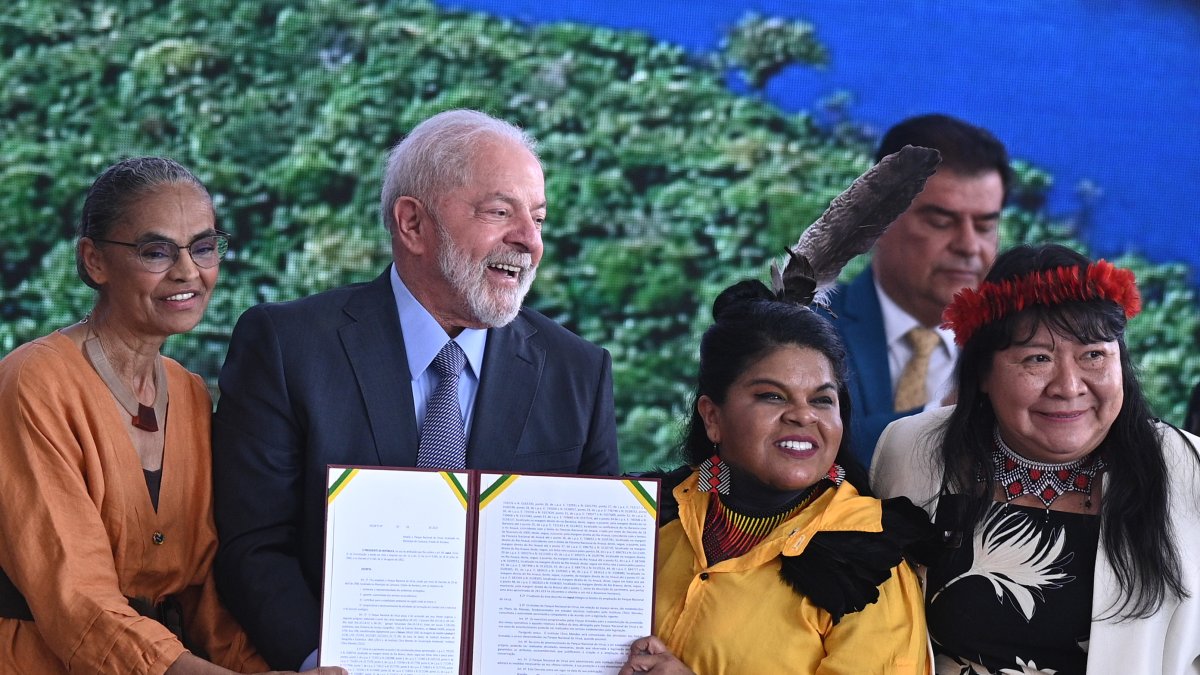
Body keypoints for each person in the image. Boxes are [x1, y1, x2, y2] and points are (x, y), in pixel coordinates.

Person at [212, 109, 620, 670]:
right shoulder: (288, 345)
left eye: (539, 218)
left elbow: (584, 568)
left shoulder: (579, 371)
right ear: (412, 224)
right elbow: (254, 545)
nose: (529, 241)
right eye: (500, 212)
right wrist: (316, 661)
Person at [0, 157, 342, 674]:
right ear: (94, 261)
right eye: (155, 251)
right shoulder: (35, 381)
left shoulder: (189, 393)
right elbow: (77, 599)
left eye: (203, 247)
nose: (188, 271)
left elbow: (205, 594)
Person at [872, 244, 1200, 674]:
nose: (1068, 386)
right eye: (1037, 359)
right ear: (983, 374)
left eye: (1093, 355)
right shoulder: (911, 450)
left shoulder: (1188, 470)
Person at [619, 280, 931, 675]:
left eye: (822, 399)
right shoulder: (654, 517)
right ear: (713, 417)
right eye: (772, 396)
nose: (803, 415)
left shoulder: (866, 565)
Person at [828, 113, 1010, 465]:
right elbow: (808, 446)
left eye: (985, 225)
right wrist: (947, 415)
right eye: (941, 222)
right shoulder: (806, 328)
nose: (969, 246)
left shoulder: (1022, 340)